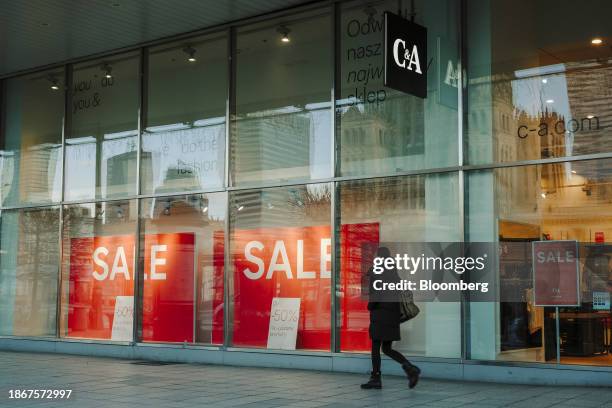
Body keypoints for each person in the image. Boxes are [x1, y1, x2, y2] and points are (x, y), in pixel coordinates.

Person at [361, 247, 420, 389]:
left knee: (376, 346)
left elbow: (376, 295)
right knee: (386, 348)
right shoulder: (394, 273)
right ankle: (410, 368)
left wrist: (370, 306)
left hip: (380, 314)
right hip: (392, 315)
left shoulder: (377, 271)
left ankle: (375, 378)